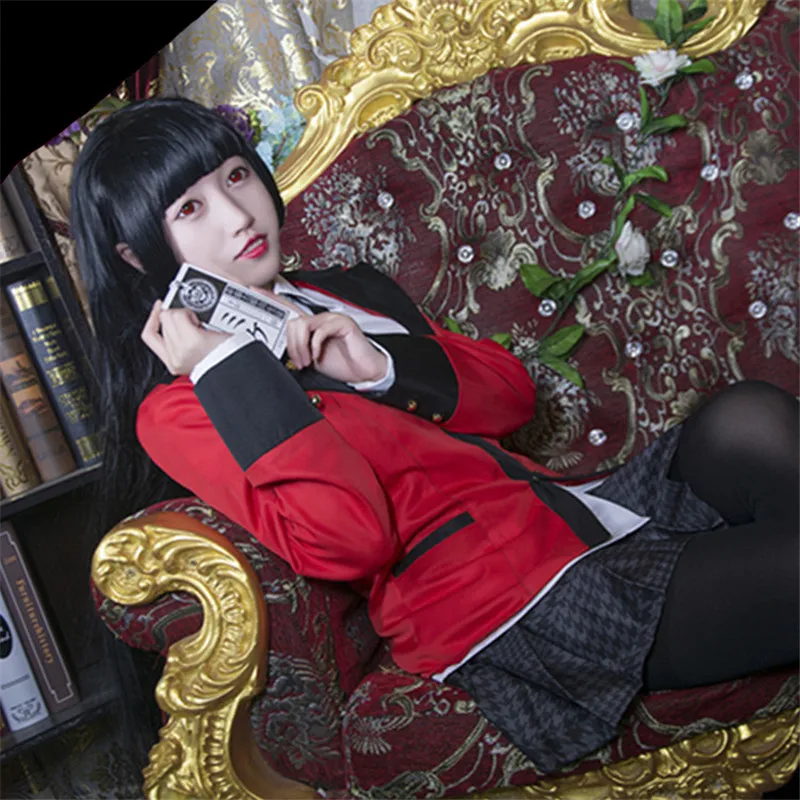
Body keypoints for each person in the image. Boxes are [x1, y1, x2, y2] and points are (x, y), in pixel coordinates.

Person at [70, 96, 799, 775]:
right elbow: (350, 540)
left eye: (236, 176)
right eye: (191, 208)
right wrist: (230, 368)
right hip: (507, 600)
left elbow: (512, 398)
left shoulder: (341, 290)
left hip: (567, 516)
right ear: (136, 256)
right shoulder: (183, 408)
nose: (237, 216)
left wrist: (378, 368)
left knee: (749, 417)